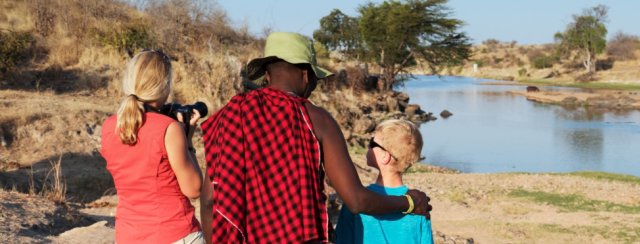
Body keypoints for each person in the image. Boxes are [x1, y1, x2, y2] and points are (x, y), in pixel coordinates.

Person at [200, 32, 431, 244]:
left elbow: (209, 200)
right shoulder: (317, 119)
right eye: (315, 80)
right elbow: (356, 200)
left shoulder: (231, 115)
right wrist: (410, 202)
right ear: (306, 74)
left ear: (267, 74)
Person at [101, 50, 205, 244]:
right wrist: (188, 141)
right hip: (174, 233)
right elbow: (194, 189)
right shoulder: (169, 128)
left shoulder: (109, 126)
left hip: (127, 236)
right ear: (164, 86)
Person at [335, 120, 432, 244]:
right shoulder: (420, 205)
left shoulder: (356, 200)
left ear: (385, 157)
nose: (368, 145)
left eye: (372, 142)